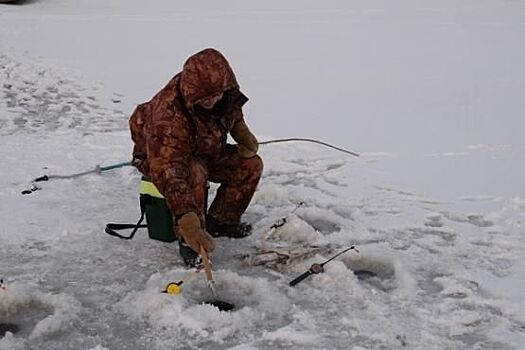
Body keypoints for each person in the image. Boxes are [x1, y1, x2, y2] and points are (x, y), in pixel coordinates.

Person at [129, 48, 262, 266]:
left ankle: (221, 220)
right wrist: (186, 218)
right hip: (163, 159)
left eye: (217, 94)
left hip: (204, 149)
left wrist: (241, 131)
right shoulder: (168, 117)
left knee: (250, 164)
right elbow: (169, 170)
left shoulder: (223, 92)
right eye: (207, 98)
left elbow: (231, 111)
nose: (214, 101)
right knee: (195, 171)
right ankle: (190, 239)